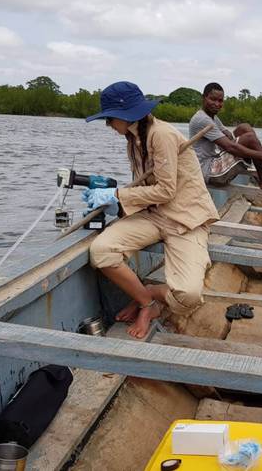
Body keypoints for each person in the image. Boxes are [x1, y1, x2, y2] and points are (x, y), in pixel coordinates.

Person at [83, 81, 219, 339]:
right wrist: (117, 205)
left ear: (124, 115)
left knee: (188, 297)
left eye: (110, 119)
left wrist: (117, 194)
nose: (109, 125)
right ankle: (146, 302)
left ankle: (151, 294)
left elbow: (166, 191)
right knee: (101, 251)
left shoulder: (162, 135)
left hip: (185, 220)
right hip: (153, 216)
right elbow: (147, 190)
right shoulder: (133, 139)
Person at [189, 83, 262, 191]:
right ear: (204, 98)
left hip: (214, 161)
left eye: (220, 101)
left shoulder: (212, 117)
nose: (217, 104)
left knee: (244, 127)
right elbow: (230, 147)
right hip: (208, 172)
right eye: (213, 99)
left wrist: (250, 147)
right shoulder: (202, 119)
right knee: (249, 138)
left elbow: (229, 136)